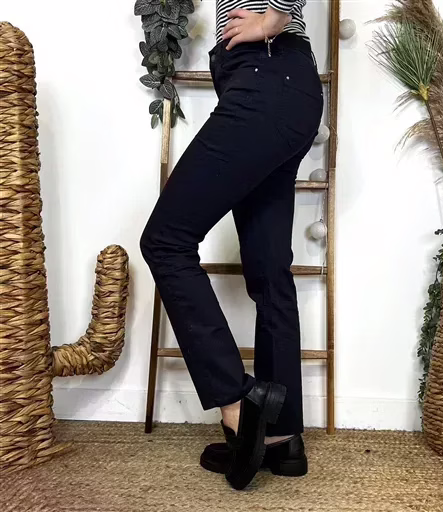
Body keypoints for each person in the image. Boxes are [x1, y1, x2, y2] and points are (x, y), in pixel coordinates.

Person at [140, 0, 323, 490]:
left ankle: (239, 405)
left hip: (266, 76)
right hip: (284, 86)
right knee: (269, 271)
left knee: (166, 241)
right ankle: (281, 436)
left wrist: (273, 17)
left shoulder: (270, 31)